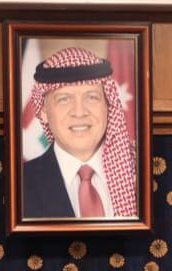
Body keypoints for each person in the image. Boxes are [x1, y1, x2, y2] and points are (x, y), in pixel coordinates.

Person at [22, 46, 137, 220]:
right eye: (64, 99)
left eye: (92, 97)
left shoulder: (142, 173)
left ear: (108, 104)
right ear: (43, 111)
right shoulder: (18, 185)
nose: (79, 112)